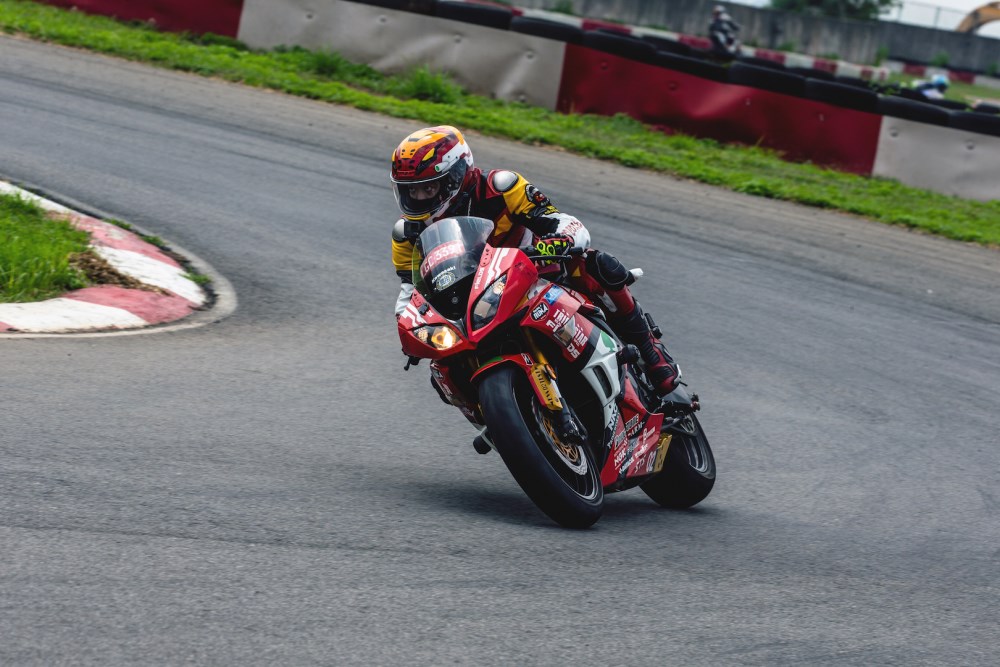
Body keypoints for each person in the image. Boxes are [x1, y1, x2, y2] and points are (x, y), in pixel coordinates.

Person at [390, 125, 680, 397]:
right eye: (411, 190)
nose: (419, 198)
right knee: (442, 368)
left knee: (596, 265)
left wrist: (561, 240)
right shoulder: (406, 233)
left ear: (456, 174)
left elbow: (561, 221)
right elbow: (409, 293)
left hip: (535, 273)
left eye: (428, 188)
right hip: (472, 305)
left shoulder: (501, 187)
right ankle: (495, 415)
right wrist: (410, 327)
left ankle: (650, 351)